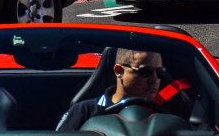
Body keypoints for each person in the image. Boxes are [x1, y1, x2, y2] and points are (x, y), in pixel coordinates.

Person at [56, 48, 190, 131]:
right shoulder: (85, 111)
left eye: (160, 73)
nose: (154, 79)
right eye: (145, 72)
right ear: (119, 71)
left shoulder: (169, 112)